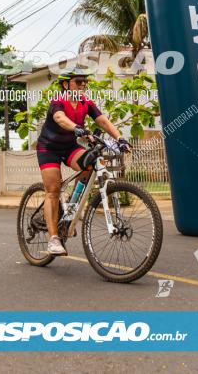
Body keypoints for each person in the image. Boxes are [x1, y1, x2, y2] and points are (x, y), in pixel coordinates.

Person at [38, 70, 130, 256]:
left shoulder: (85, 102)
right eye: (78, 81)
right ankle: (54, 239)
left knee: (90, 163)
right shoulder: (59, 100)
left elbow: (103, 121)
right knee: (53, 190)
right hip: (49, 149)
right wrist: (77, 128)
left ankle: (71, 208)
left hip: (69, 147)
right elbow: (59, 118)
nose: (83, 85)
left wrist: (120, 139)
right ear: (66, 85)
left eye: (85, 82)